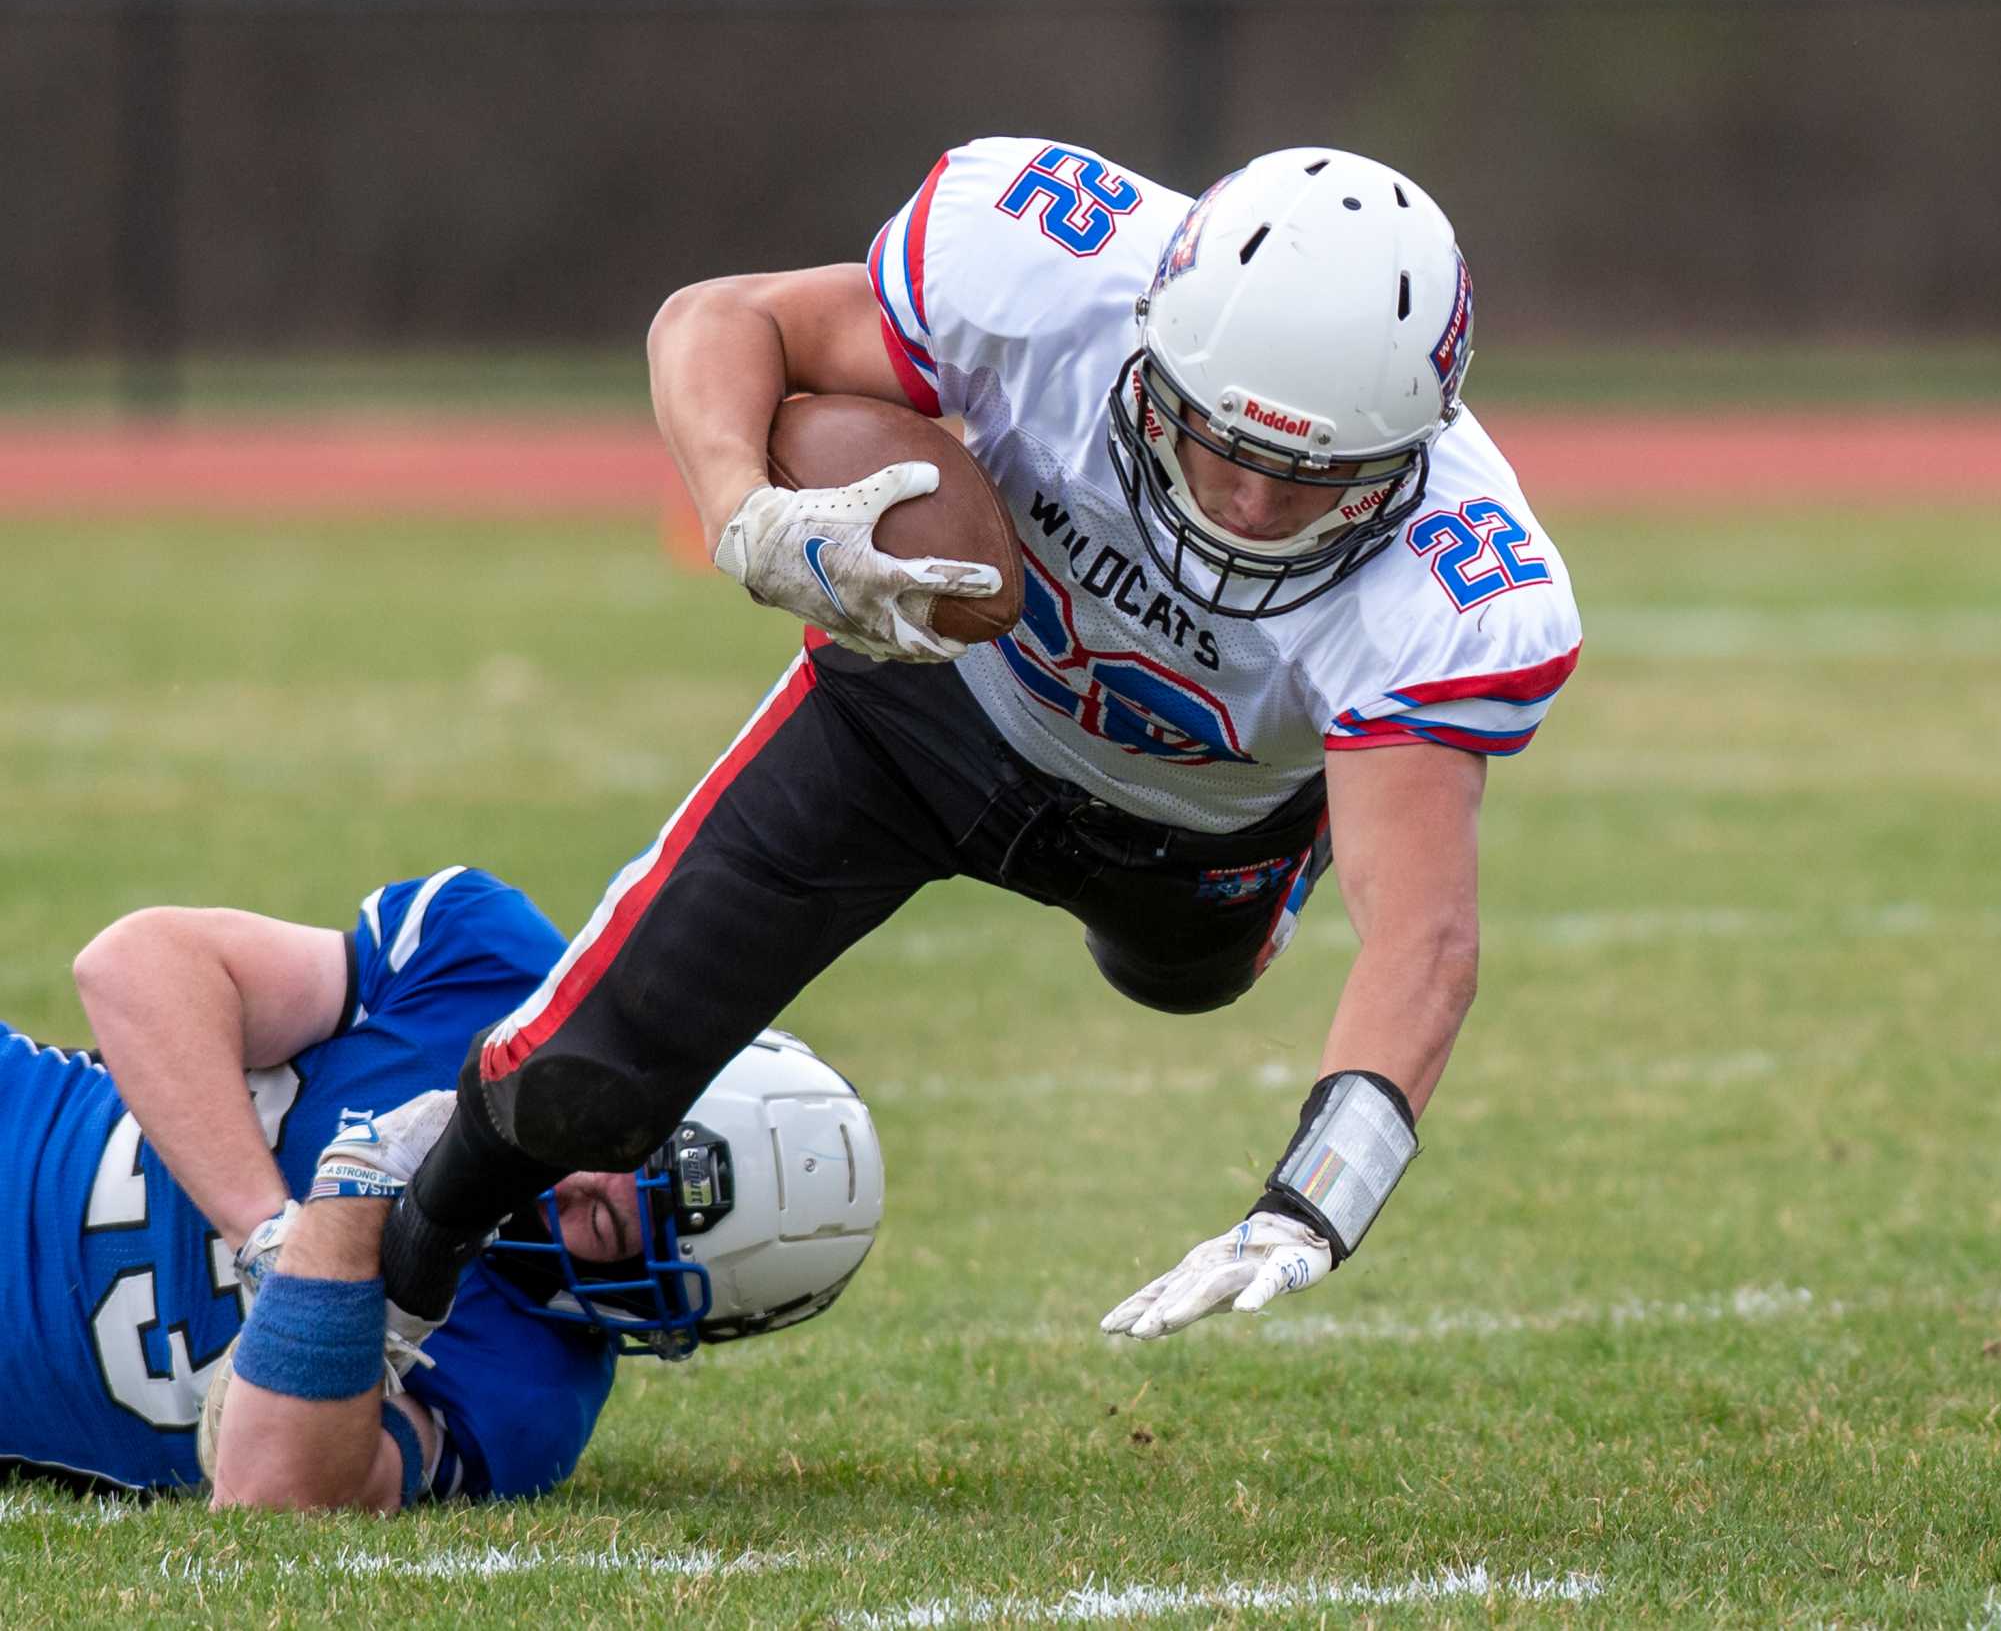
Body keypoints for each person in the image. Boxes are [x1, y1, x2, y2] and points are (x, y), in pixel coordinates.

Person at [378, 140, 1582, 1345]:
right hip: (921, 707)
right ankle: (392, 1278)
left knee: (1182, 981)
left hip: (1201, 837)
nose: (1252, 508)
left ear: (1403, 457)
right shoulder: (1048, 269)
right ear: (1153, 342)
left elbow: (1423, 943)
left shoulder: (1457, 579)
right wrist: (744, 515)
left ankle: (1282, 848)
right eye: (1222, 444)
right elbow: (723, 320)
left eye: (1311, 478)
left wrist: (1307, 1209)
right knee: (584, 1077)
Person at [0, 866, 880, 1507]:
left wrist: (335, 1259)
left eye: (607, 1226)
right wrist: (267, 1231)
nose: (568, 1177)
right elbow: (133, 966)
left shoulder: (525, 1400)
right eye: (612, 1132)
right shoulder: (489, 967)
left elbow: (268, 1497)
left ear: (651, 1308)